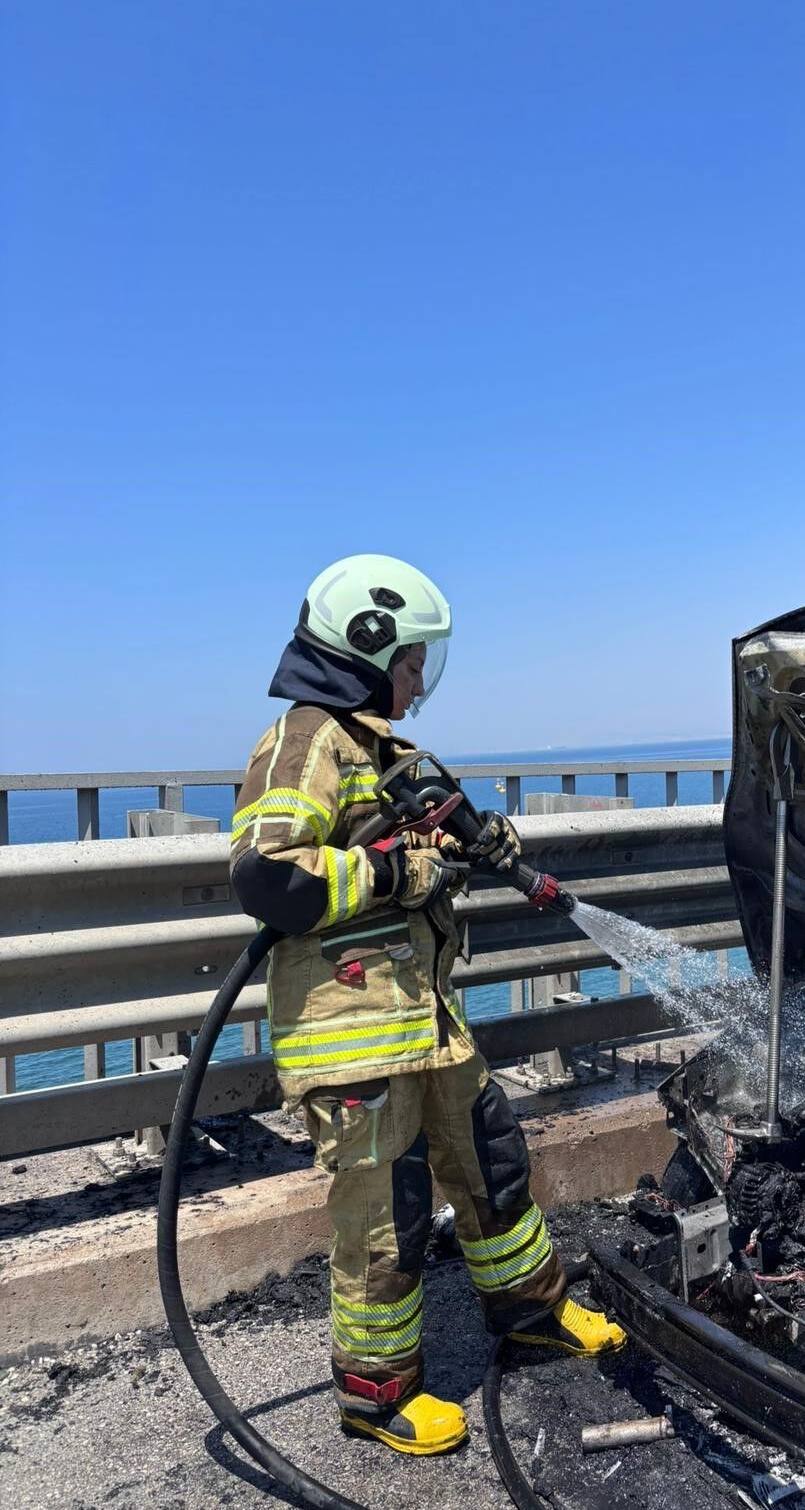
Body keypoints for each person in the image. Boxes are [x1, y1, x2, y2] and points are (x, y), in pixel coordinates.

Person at [230, 553, 625, 1456]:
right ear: (364, 647)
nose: (417, 681)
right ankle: (377, 1395)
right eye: (410, 663)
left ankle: (532, 1312)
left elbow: (426, 830)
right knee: (389, 1218)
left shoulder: (382, 749)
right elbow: (268, 875)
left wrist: (474, 843)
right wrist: (397, 872)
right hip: (353, 1036)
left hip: (426, 1022)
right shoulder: (306, 742)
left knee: (492, 1162)